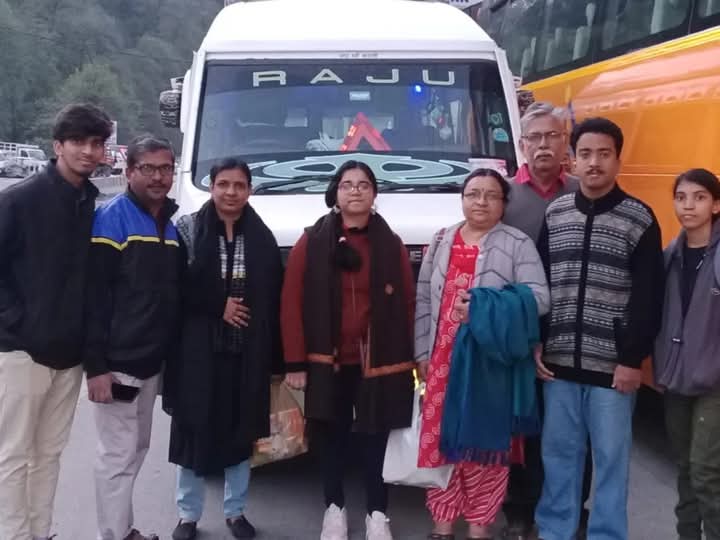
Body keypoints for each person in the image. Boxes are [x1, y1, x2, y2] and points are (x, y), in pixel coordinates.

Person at [534, 117, 665, 540]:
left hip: (613, 369)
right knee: (558, 456)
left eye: (604, 154)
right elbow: (539, 284)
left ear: (617, 161)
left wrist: (632, 359)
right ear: (572, 160)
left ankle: (607, 534)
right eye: (586, 154)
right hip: (557, 365)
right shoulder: (556, 213)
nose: (594, 163)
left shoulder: (639, 218)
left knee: (611, 460)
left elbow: (649, 296)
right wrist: (537, 342)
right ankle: (555, 531)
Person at [281, 160, 415, 540]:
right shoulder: (311, 241)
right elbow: (291, 303)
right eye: (347, 184)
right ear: (335, 194)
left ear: (374, 194)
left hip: (380, 361)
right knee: (330, 436)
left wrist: (412, 357)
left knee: (376, 437)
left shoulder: (391, 244)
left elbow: (407, 302)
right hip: (327, 361)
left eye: (363, 184)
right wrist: (295, 361)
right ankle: (334, 508)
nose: (355, 190)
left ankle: (377, 513)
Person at [415, 168, 550, 540]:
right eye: (473, 193)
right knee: (440, 446)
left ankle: (479, 529)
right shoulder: (441, 239)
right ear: (462, 199)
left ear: (504, 203)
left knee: (484, 448)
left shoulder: (518, 243)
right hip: (442, 361)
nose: (481, 202)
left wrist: (483, 306)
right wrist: (422, 351)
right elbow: (424, 298)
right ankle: (442, 527)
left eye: (491, 195)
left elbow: (540, 298)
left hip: (489, 364)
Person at [0, 103, 112, 540]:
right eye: (78, 142)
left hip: (69, 355)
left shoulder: (90, 205)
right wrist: (20, 323)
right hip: (20, 351)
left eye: (96, 143)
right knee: (13, 455)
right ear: (58, 145)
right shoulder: (19, 200)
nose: (88, 151)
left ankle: (40, 531)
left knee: (49, 454)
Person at [168, 159, 283, 540]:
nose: (231, 192)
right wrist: (218, 306)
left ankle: (236, 512)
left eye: (239, 185)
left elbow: (273, 297)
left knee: (240, 434)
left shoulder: (262, 237)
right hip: (196, 353)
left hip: (246, 352)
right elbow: (173, 287)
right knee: (193, 433)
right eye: (223, 184)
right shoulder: (188, 230)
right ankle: (188, 515)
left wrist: (277, 359)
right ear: (211, 187)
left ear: (249, 190)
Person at [83, 135, 181, 540]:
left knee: (137, 448)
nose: (158, 177)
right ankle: (115, 534)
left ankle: (123, 529)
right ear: (129, 172)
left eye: (165, 168)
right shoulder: (112, 219)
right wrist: (96, 367)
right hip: (118, 362)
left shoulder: (169, 226)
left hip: (149, 362)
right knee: (117, 455)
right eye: (148, 168)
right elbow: (93, 297)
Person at [502, 102, 589, 540]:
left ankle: (572, 508)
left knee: (572, 428)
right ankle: (519, 510)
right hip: (519, 328)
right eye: (534, 138)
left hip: (575, 327)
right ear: (522, 145)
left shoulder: (581, 190)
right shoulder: (503, 195)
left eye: (552, 136)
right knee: (522, 423)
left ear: (565, 142)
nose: (543, 145)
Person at [654, 168, 720, 540]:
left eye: (699, 197)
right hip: (677, 378)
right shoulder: (670, 256)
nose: (688, 206)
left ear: (716, 205)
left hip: (714, 383)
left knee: (706, 470)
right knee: (685, 467)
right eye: (681, 198)